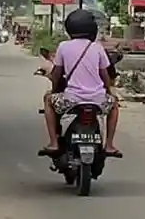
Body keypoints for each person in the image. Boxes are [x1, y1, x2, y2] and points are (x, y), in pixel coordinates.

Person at [41, 9, 122, 158]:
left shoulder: (63, 46)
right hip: (98, 99)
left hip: (72, 99)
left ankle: (53, 142)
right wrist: (109, 92)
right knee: (114, 105)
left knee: (48, 100)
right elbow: (104, 75)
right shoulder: (97, 47)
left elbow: (57, 75)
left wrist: (54, 90)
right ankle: (109, 145)